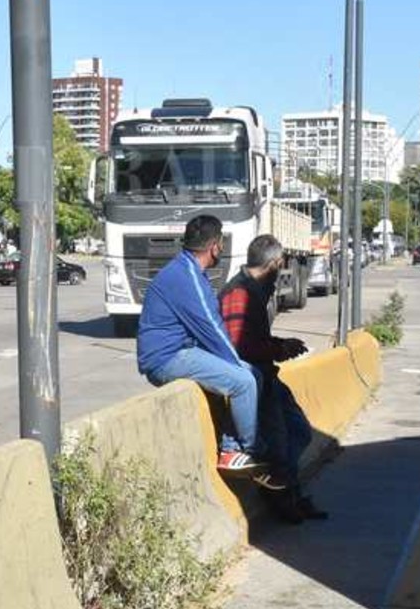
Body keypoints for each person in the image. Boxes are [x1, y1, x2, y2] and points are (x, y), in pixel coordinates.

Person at [136, 215, 264, 471]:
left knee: (252, 374)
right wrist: (236, 365)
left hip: (182, 351)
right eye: (221, 245)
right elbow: (212, 329)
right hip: (166, 359)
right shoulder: (187, 277)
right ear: (214, 246)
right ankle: (244, 449)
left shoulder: (188, 270)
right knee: (244, 381)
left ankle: (232, 445)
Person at [219, 235, 328, 523]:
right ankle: (283, 499)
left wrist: (279, 344)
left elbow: (252, 338)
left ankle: (289, 493)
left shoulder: (256, 290)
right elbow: (237, 345)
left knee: (300, 432)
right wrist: (279, 348)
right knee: (278, 445)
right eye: (281, 265)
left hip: (267, 375)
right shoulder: (239, 293)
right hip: (255, 381)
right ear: (275, 263)